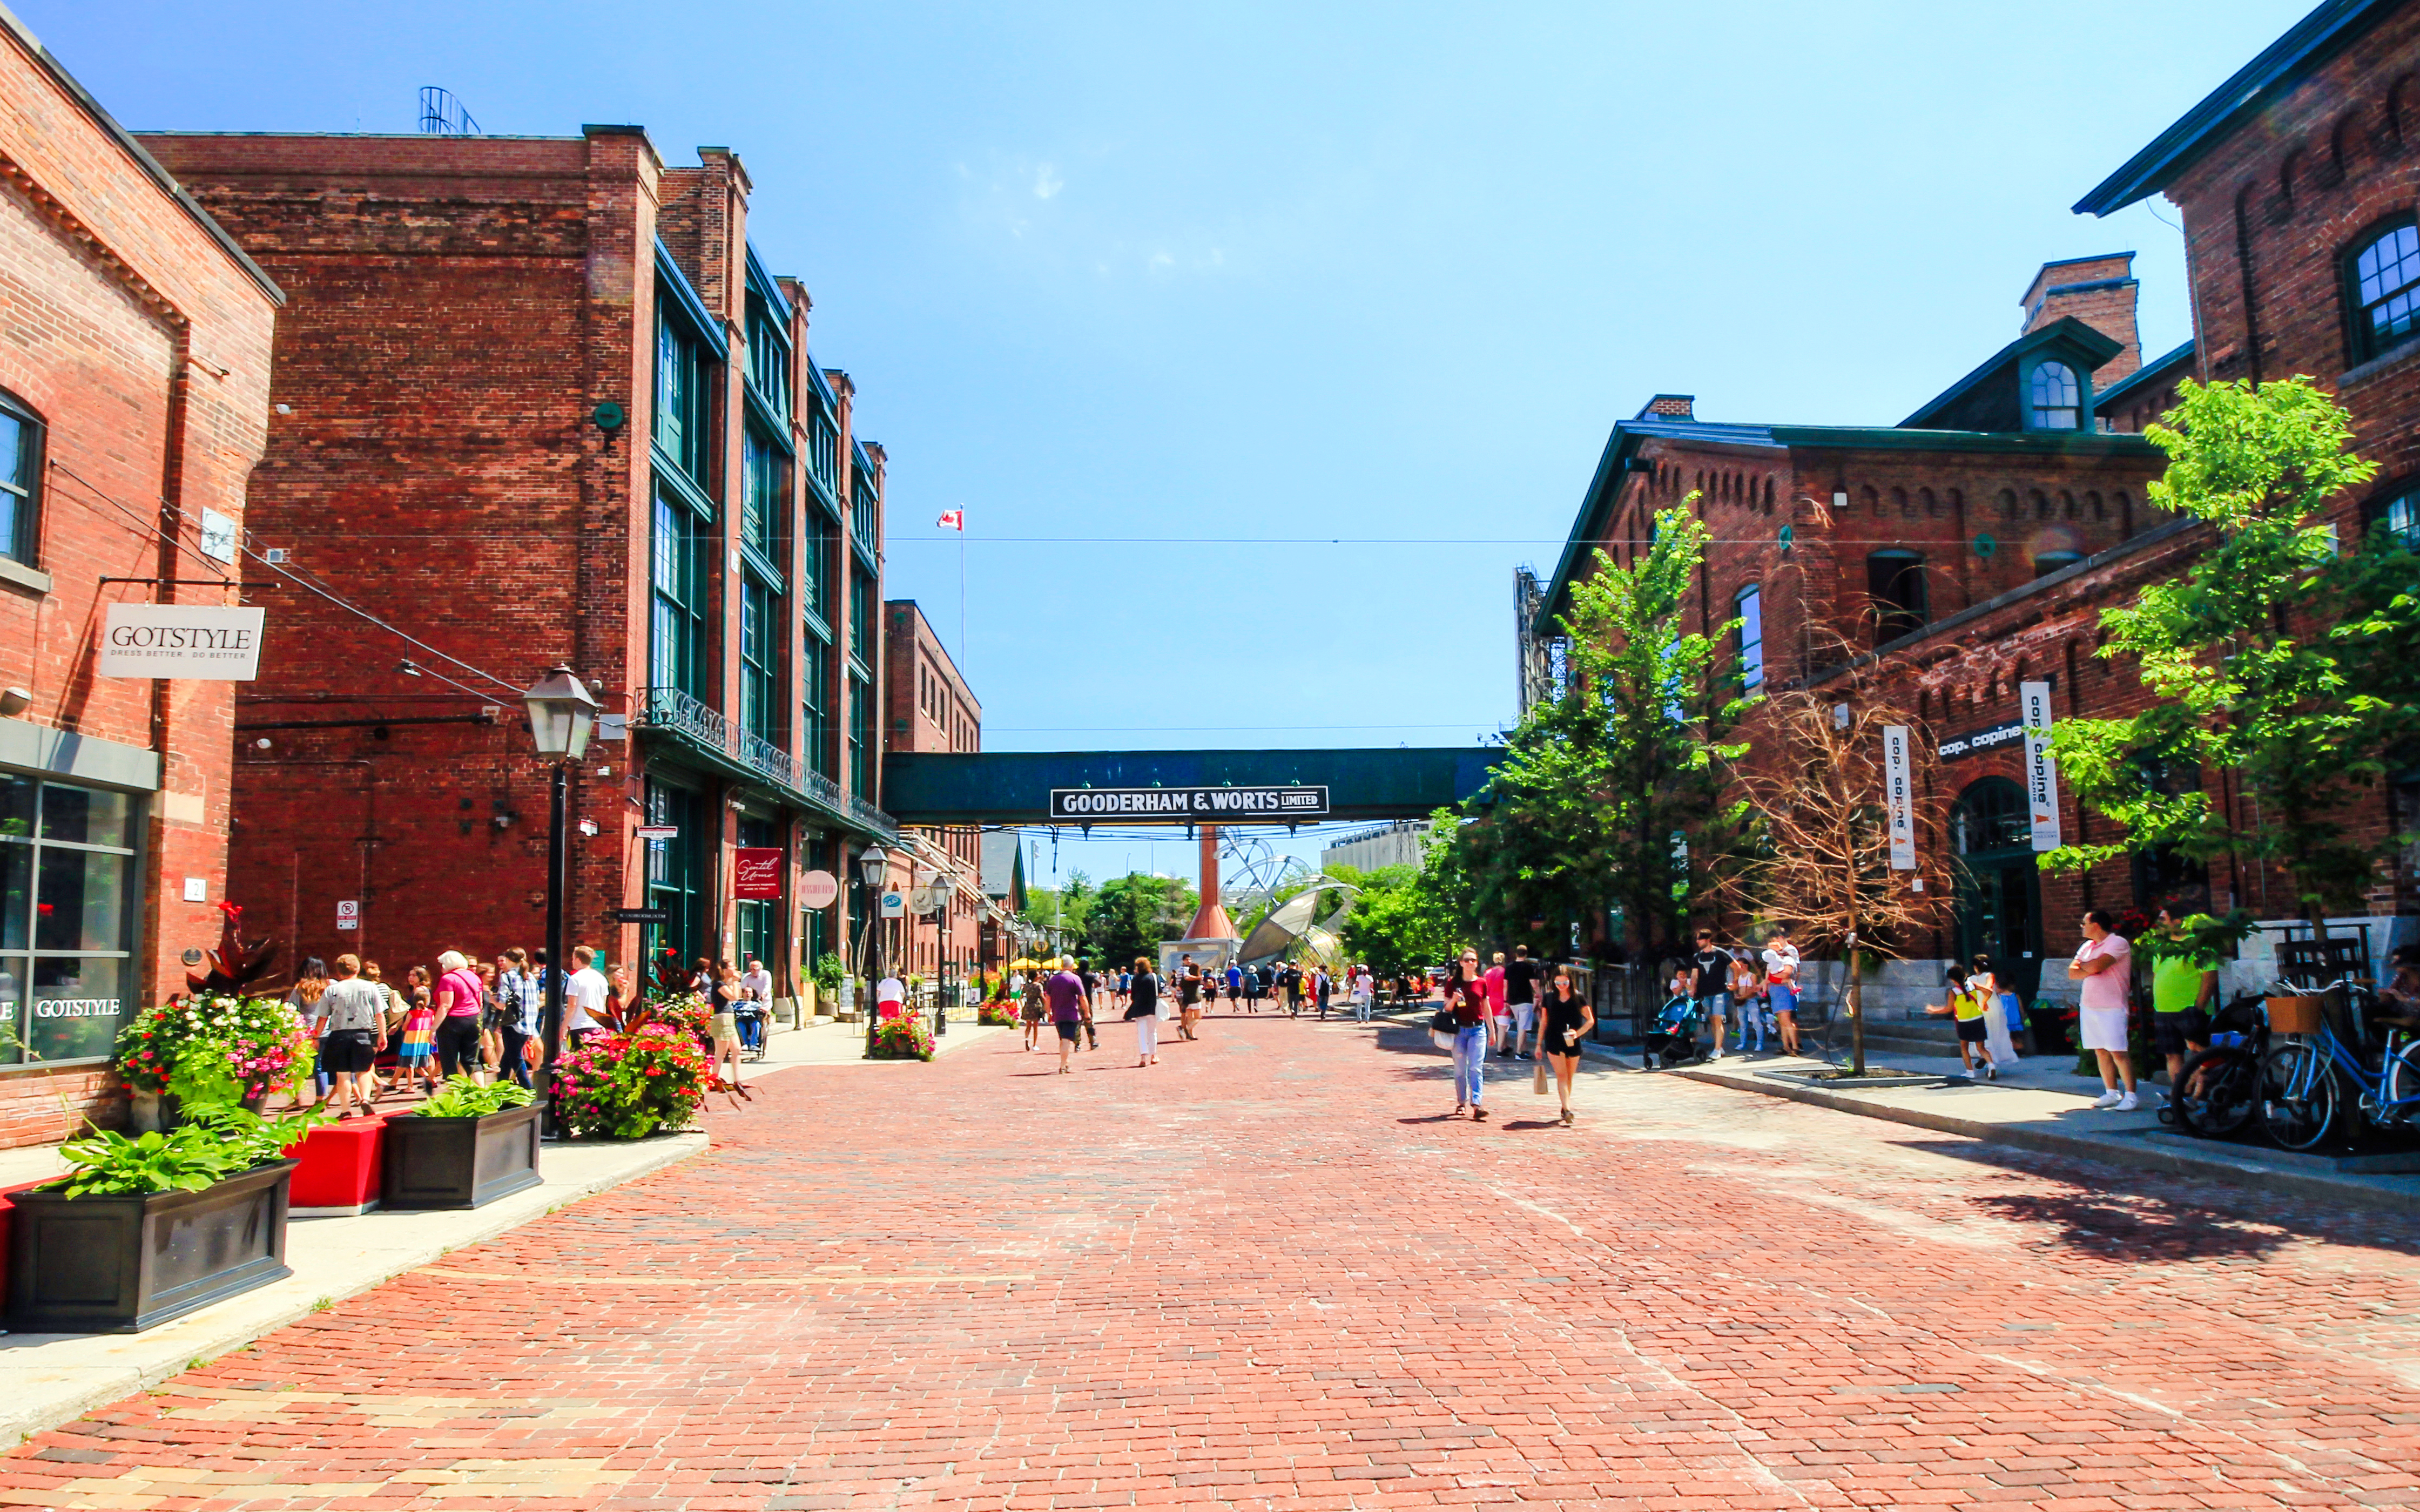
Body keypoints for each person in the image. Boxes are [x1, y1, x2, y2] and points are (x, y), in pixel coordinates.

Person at [2070, 910, 2138, 1110]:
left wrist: (2086, 967)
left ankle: (2131, 1096)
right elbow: (2072, 972)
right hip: (2089, 1006)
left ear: (2096, 925)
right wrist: (2088, 967)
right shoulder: (2087, 946)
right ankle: (2112, 1093)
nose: (2082, 927)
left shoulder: (2118, 943)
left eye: (2084, 923)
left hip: (2112, 1007)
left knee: (2118, 1052)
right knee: (2100, 1051)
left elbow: (2098, 966)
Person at [2148, 908, 2220, 1095]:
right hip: (2164, 1010)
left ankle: (2197, 1092)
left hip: (2190, 1009)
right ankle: (2180, 1095)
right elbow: (2157, 976)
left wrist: (2199, 1008)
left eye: (2163, 918)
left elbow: (2210, 977)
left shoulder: (2199, 946)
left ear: (2178, 921)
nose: (2159, 923)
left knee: (2199, 1052)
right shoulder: (2161, 947)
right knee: (2172, 1054)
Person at [314, 954, 389, 1118]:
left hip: (339, 1035)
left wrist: (315, 1037)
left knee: (343, 1075)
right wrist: (382, 1034)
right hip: (363, 1033)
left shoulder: (332, 989)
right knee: (365, 1070)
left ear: (339, 972)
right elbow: (380, 1014)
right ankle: (365, 1100)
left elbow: (323, 1017)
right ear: (357, 969)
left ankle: (345, 1110)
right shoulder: (370, 987)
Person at [1532, 962, 1596, 1126]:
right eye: (1558, 983)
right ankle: (1568, 1109)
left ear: (1570, 982)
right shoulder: (1548, 997)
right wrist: (1539, 1044)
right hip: (1553, 1038)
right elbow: (1544, 1021)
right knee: (1561, 1075)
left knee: (1569, 1076)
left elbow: (1590, 1021)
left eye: (1565, 983)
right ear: (1554, 982)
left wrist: (1578, 1033)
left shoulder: (1578, 997)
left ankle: (1564, 1106)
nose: (1561, 986)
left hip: (1572, 1039)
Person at [1924, 963, 1998, 1079]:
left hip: (1964, 1022)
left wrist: (1933, 1010)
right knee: (1981, 1048)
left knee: (1964, 1047)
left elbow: (1948, 1009)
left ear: (1953, 980)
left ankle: (1970, 1072)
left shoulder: (1953, 992)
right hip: (1978, 1019)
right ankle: (1991, 1066)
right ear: (1964, 975)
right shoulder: (1972, 984)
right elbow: (1989, 991)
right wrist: (1984, 1003)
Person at [1443, 948, 1491, 1119]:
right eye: (1468, 960)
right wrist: (1455, 1000)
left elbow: (1486, 1007)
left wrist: (1492, 1031)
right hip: (1459, 1031)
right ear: (1462, 963)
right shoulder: (1453, 983)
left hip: (1478, 1029)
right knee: (1460, 1069)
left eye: (1474, 960)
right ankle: (1461, 1102)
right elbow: (1446, 1008)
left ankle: (1477, 1104)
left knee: (1476, 1068)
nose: (1471, 963)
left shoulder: (1482, 983)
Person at [284, 957, 331, 1110]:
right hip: (328, 1030)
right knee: (320, 1066)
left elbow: (291, 1009)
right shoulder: (330, 987)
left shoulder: (300, 988)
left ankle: (298, 1098)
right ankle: (320, 1099)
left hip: (306, 1032)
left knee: (297, 1066)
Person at [495, 948, 540, 1089]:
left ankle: (529, 1089)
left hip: (512, 1023)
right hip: (529, 1024)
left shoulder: (507, 976)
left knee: (516, 1059)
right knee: (509, 1056)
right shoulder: (531, 977)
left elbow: (502, 1004)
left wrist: (491, 1000)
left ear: (508, 960)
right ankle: (501, 1085)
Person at [1687, 929, 1732, 1062]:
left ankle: (1717, 1049)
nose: (1697, 941)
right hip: (1704, 993)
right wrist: (1693, 989)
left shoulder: (1720, 953)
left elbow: (1736, 967)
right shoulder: (1697, 957)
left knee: (1718, 1018)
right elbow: (1694, 975)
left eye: (1699, 939)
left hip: (1719, 992)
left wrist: (1733, 982)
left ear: (1707, 940)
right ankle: (1720, 1047)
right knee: (1712, 1019)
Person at [396, 966, 440, 1096]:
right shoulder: (419, 992)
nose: (410, 978)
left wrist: (400, 1024)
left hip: (414, 1030)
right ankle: (430, 1077)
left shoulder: (420, 990)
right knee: (425, 1054)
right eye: (410, 975)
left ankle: (429, 1077)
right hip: (423, 1030)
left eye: (414, 975)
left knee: (412, 1058)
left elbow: (408, 1011)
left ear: (421, 977)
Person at [1762, 924, 1804, 1057]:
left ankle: (1796, 1045)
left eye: (1774, 940)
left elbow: (1790, 971)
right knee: (1782, 1020)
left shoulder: (1789, 951)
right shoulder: (1775, 956)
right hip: (1775, 989)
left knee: (1789, 1019)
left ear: (1780, 938)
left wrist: (1770, 979)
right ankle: (1787, 1046)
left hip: (1785, 989)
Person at [711, 962, 751, 1098]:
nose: (735, 969)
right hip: (722, 1019)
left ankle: (737, 1080)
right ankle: (713, 1079)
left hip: (729, 1018)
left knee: (737, 1050)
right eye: (732, 967)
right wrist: (735, 982)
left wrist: (735, 982)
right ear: (724, 970)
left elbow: (738, 995)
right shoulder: (719, 984)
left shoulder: (725, 984)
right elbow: (733, 997)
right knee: (721, 1053)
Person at [1044, 960, 1087, 1074]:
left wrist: (1049, 1013)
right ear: (1072, 966)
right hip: (1071, 1014)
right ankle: (1063, 1065)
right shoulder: (1075, 979)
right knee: (1066, 1040)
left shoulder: (1053, 980)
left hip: (1058, 1014)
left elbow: (1048, 999)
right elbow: (1082, 998)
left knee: (1063, 1040)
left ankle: (1066, 1062)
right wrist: (1087, 1013)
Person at [565, 945, 610, 1048]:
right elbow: (603, 1005)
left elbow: (572, 1005)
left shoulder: (575, 979)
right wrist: (603, 1025)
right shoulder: (602, 978)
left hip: (579, 1026)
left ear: (578, 960)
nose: (572, 961)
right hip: (597, 1026)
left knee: (578, 1059)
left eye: (573, 958)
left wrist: (564, 1027)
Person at [1727, 949, 1766, 1056]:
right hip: (1741, 1002)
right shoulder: (1738, 977)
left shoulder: (1752, 976)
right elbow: (1736, 988)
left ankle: (1759, 1043)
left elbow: (1753, 989)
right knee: (1742, 1024)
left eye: (1739, 966)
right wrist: (1736, 993)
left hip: (1750, 1001)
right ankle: (1743, 1043)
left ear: (1745, 966)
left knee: (1756, 1022)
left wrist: (1743, 996)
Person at [1125, 954, 1162, 1066]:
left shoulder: (1135, 980)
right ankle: (1154, 1056)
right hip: (1152, 1008)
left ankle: (1143, 1058)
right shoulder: (1153, 977)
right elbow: (1159, 992)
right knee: (1152, 1032)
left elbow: (1133, 997)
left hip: (1139, 1009)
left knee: (1142, 1033)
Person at [1503, 946, 1538, 1060]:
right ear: (1526, 954)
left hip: (1513, 1000)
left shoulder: (1509, 967)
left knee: (1521, 1025)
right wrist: (1539, 994)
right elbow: (1533, 983)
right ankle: (1519, 1053)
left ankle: (1524, 1050)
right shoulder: (1528, 967)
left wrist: (1505, 1000)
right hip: (1525, 1000)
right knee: (1523, 1028)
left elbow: (1505, 985)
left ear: (1516, 954)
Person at [741, 956, 774, 1055]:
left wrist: (763, 995)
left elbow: (768, 986)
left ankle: (761, 1038)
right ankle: (746, 1041)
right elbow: (742, 987)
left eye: (755, 970)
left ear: (760, 969)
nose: (753, 972)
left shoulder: (766, 974)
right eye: (751, 969)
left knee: (762, 1020)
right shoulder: (747, 977)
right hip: (751, 1002)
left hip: (764, 1002)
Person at [1483, 953, 1508, 1051]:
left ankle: (1505, 1045)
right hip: (1502, 1000)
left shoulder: (1487, 972)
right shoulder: (1505, 972)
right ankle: (1500, 1049)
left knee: (1496, 1024)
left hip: (1490, 1000)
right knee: (1502, 1026)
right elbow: (1506, 987)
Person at [1179, 955, 1205, 1040]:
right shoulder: (1197, 978)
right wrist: (1199, 977)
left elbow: (1180, 987)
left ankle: (1191, 1035)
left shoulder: (1185, 978)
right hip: (1195, 999)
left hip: (1186, 999)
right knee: (1198, 1017)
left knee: (1190, 1017)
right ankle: (1187, 1029)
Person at [1021, 971, 1047, 1050]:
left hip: (1028, 1006)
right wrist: (1047, 1004)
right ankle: (1035, 1045)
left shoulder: (1027, 986)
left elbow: (1022, 995)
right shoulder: (1039, 986)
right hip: (1036, 1006)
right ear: (1036, 977)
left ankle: (1027, 1039)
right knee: (1035, 1027)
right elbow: (1042, 997)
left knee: (1028, 1026)